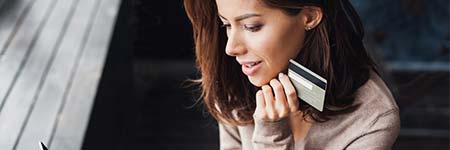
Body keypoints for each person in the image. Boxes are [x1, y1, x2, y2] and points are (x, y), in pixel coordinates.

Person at [183, 0, 400, 149]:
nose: (231, 48)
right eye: (227, 25)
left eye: (252, 26)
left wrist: (272, 137)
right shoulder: (234, 81)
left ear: (309, 17)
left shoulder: (372, 117)